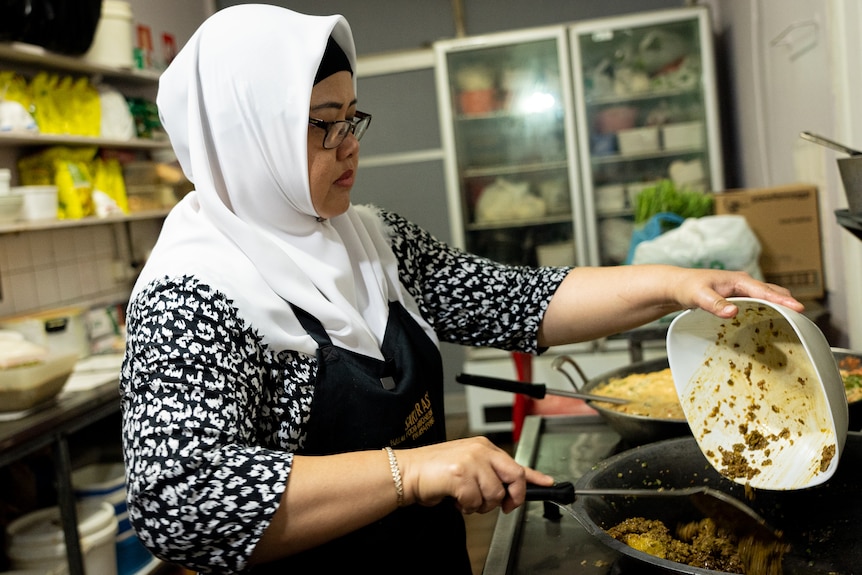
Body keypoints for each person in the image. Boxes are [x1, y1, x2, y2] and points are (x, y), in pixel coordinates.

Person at [119, 4, 804, 574]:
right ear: (246, 137)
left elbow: (519, 300)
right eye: (323, 123)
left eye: (351, 117)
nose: (350, 144)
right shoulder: (191, 294)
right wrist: (410, 472)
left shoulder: (367, 235)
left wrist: (679, 284)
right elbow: (180, 503)